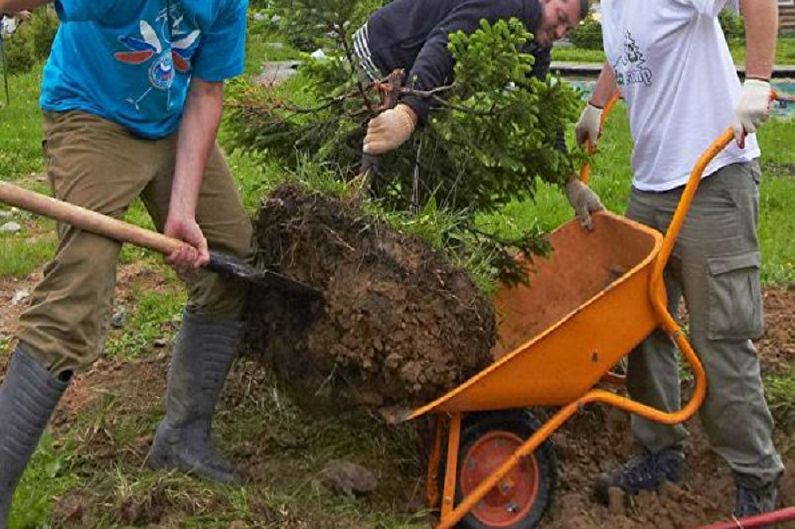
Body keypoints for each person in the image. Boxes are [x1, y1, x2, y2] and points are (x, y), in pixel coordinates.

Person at [0, 1, 252, 525]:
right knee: (78, 291)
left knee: (229, 262)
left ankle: (183, 437)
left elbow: (206, 90)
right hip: (89, 116)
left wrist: (183, 207)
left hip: (172, 122)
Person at [574, 0, 784, 518]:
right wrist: (599, 103)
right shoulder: (616, 7)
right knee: (640, 324)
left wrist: (757, 80)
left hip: (714, 175)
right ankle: (659, 451)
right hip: (652, 185)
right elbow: (627, 54)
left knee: (720, 337)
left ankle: (757, 479)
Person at [353, 0, 602, 226]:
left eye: (567, 29)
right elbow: (443, 44)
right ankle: (354, 213)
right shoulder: (505, 5)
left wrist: (569, 180)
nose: (559, 33)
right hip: (381, 51)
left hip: (416, 79)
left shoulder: (534, 43)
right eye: (559, 18)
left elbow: (540, 106)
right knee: (360, 154)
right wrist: (408, 113)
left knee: (407, 166)